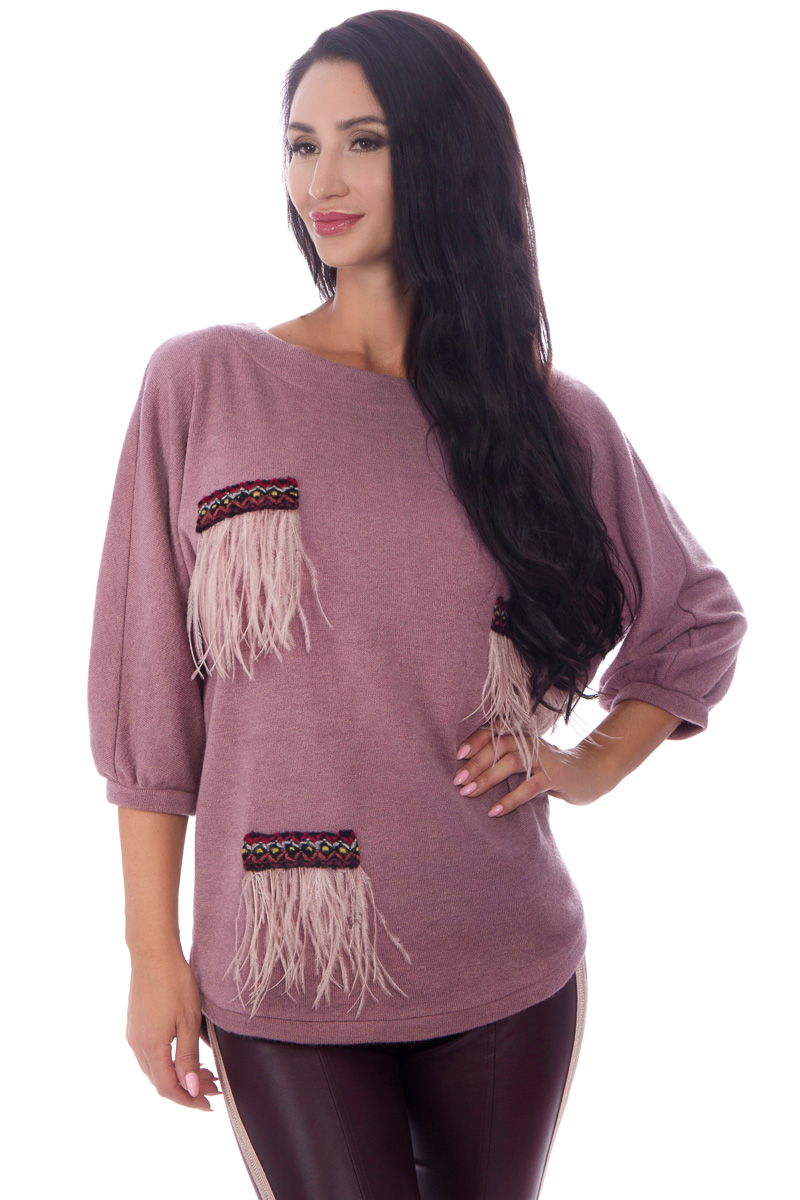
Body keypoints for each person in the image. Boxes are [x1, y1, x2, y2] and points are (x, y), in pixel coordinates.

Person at [86, 11, 748, 1199]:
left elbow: (694, 619)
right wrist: (150, 952)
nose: (320, 183)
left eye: (363, 142)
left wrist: (583, 765)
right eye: (300, 145)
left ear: (441, 155)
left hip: (501, 954)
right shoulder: (205, 381)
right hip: (282, 962)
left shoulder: (546, 419)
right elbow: (148, 698)